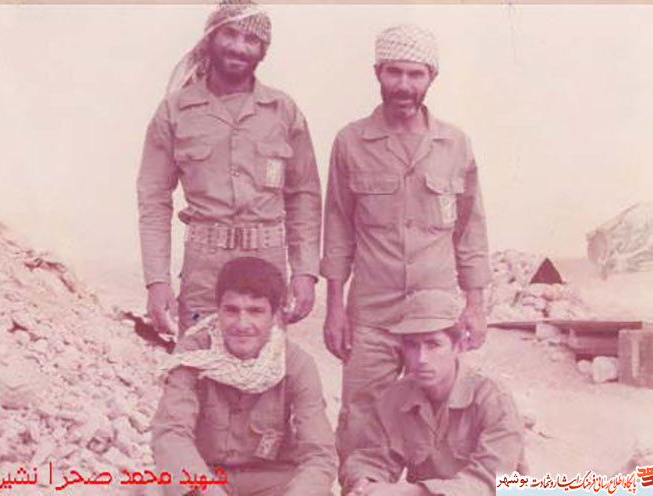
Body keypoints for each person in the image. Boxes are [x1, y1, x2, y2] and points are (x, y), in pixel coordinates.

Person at [320, 24, 492, 462]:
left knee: (439, 420)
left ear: (431, 77)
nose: (403, 84)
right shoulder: (351, 142)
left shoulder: (455, 144)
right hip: (373, 313)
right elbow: (337, 227)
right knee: (361, 419)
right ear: (377, 73)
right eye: (394, 72)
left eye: (415, 74)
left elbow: (470, 231)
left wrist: (475, 305)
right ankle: (361, 487)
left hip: (436, 314)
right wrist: (335, 308)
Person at [138, 0, 321, 335]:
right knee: (198, 353)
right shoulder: (175, 111)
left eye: (251, 40)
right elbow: (153, 199)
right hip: (203, 267)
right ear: (211, 37)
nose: (239, 47)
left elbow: (304, 196)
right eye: (230, 34)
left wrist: (305, 272)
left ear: (263, 50)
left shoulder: (283, 111)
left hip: (267, 262)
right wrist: (157, 280)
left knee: (263, 359)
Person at [151, 256, 336, 496]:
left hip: (273, 482)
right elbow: (171, 433)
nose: (242, 324)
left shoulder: (295, 364)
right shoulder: (193, 354)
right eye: (231, 310)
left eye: (255, 311)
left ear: (276, 315)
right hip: (205, 477)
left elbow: (319, 454)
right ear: (218, 310)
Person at [340, 289, 525, 496]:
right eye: (412, 345)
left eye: (433, 344)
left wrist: (412, 492)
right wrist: (365, 483)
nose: (421, 359)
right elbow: (373, 457)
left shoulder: (492, 398)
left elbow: (493, 482)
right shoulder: (396, 397)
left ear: (459, 346)